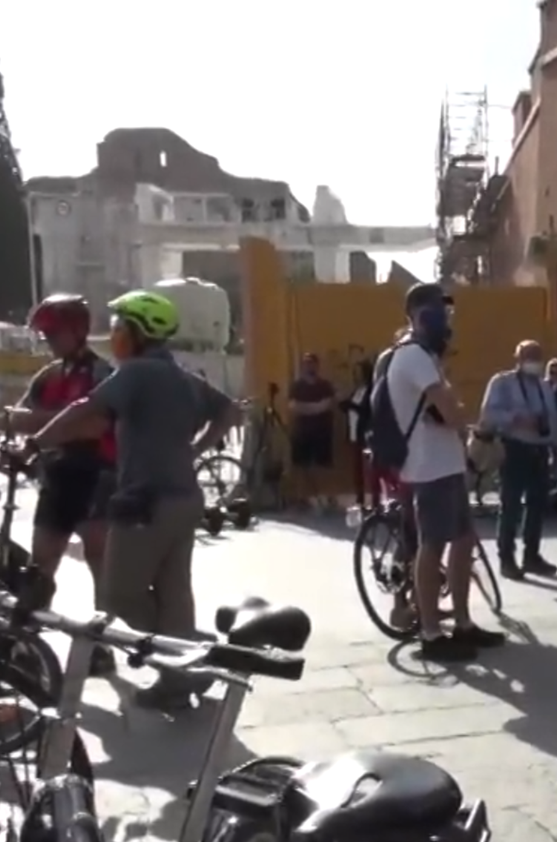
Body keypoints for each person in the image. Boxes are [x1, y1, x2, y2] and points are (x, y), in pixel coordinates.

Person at [29, 290, 241, 710]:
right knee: (174, 593)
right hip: (184, 499)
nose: (114, 334)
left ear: (140, 332)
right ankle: (181, 676)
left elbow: (86, 407)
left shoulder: (138, 371)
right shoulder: (180, 375)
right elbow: (231, 410)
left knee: (116, 596)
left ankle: (184, 664)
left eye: (120, 327)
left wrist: (35, 442)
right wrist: (196, 451)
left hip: (145, 502)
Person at [383, 283, 505, 660]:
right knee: (432, 546)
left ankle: (463, 624)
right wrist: (463, 416)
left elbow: (446, 410)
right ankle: (432, 634)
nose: (448, 319)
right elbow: (450, 412)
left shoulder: (426, 357)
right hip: (427, 468)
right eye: (441, 311)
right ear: (422, 315)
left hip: (445, 464)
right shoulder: (413, 356)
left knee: (464, 540)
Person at [2, 295, 116, 672]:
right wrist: (32, 432)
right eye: (45, 333)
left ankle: (101, 647)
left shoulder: (102, 374)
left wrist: (37, 424)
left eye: (54, 332)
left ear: (78, 331)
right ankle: (27, 649)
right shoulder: (49, 375)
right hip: (56, 478)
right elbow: (15, 418)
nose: (48, 339)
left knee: (100, 565)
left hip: (96, 477)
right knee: (40, 568)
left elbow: (95, 424)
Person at [481, 340, 557, 580]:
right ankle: (506, 558)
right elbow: (488, 414)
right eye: (529, 356)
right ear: (517, 358)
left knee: (537, 505)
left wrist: (555, 445)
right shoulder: (502, 382)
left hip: (539, 450)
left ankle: (532, 555)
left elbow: (552, 418)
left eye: (538, 356)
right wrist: (516, 419)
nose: (534, 362)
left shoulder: (544, 386)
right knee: (511, 506)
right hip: (514, 448)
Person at [287, 352, 338, 510]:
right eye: (306, 363)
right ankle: (303, 498)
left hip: (322, 432)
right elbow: (294, 406)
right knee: (301, 466)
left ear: (317, 365)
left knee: (322, 467)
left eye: (312, 363)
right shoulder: (296, 386)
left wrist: (307, 408)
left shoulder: (325, 386)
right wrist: (317, 407)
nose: (309, 366)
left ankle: (324, 498)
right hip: (301, 432)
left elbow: (329, 404)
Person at [341, 359, 375, 510]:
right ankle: (360, 499)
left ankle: (374, 501)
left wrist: (353, 406)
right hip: (354, 432)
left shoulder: (371, 389)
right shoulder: (357, 390)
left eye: (359, 372)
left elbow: (368, 411)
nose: (357, 375)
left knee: (369, 470)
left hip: (366, 433)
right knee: (357, 470)